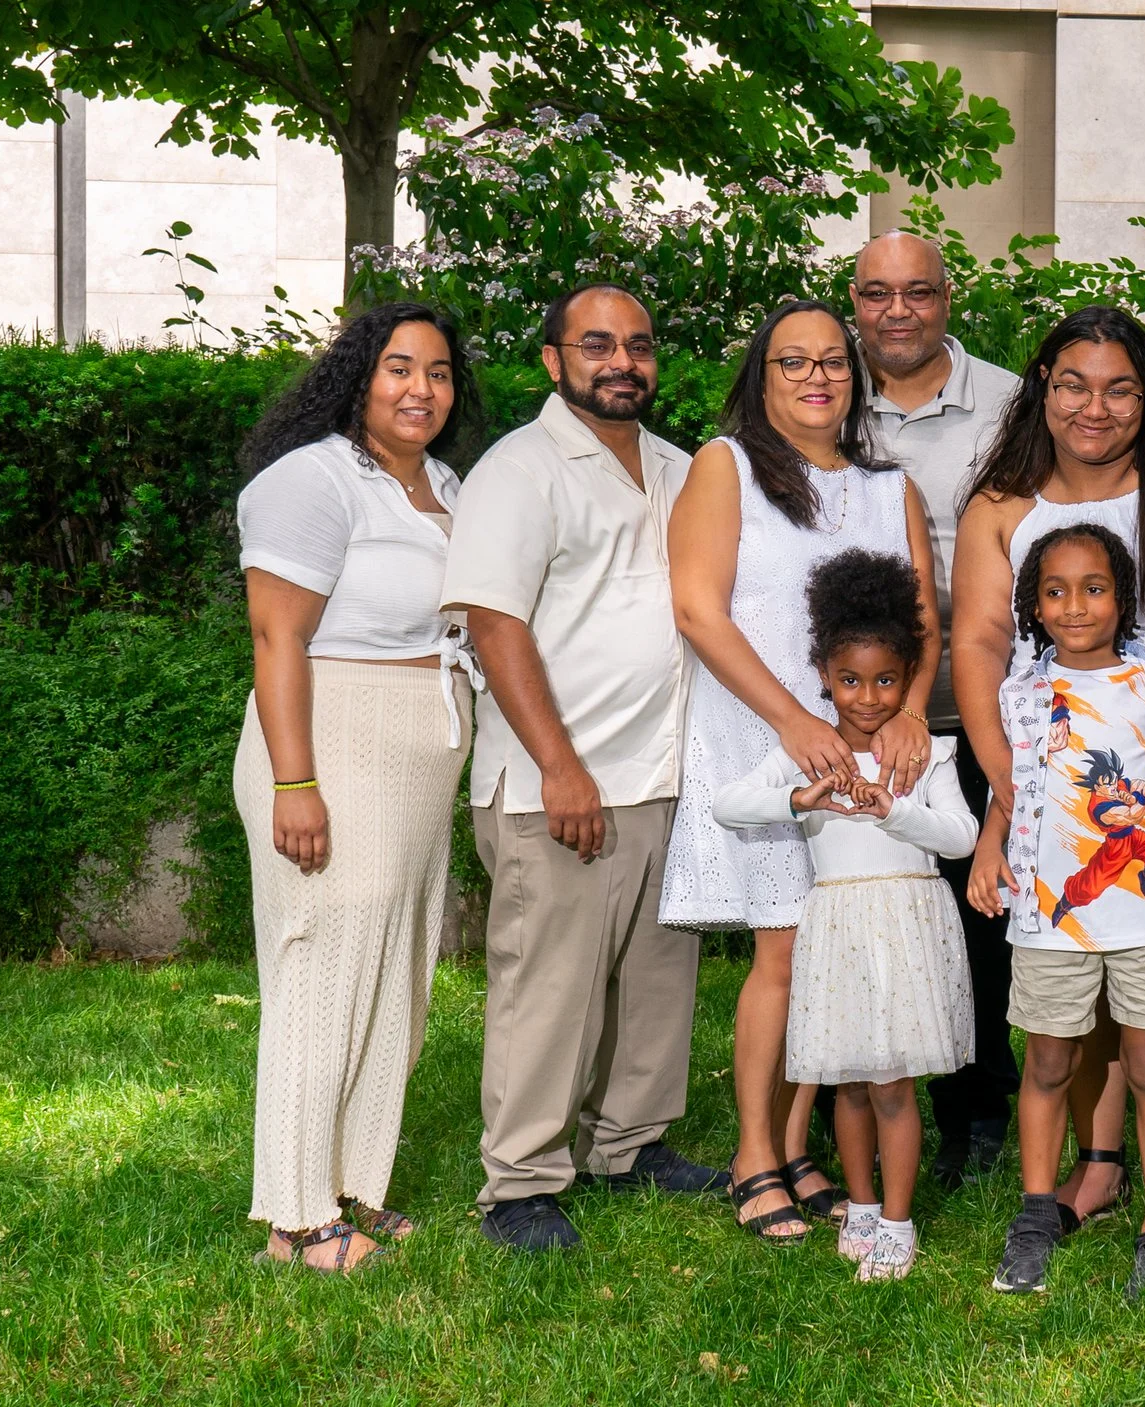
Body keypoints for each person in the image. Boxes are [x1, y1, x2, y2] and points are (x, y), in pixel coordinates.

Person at [950, 306, 1145, 1261]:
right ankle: (1099, 1158)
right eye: (1075, 384)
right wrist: (1013, 788)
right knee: (1073, 984)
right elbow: (978, 640)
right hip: (1051, 767)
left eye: (1121, 386)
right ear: (1041, 386)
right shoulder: (1002, 502)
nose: (1098, 406)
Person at [443, 283, 725, 1254]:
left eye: (638, 345)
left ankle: (630, 1143)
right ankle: (519, 1183)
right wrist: (560, 769)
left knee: (654, 979)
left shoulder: (681, 470)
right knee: (550, 989)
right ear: (553, 363)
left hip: (663, 775)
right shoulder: (518, 471)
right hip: (557, 786)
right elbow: (493, 620)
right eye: (595, 344)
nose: (621, 362)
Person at [664, 298, 941, 1244]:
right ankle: (754, 1154)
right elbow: (700, 611)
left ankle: (796, 1144)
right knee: (782, 951)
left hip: (865, 749)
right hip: (764, 734)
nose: (818, 376)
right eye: (793, 362)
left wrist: (907, 711)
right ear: (762, 377)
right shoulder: (725, 467)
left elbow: (924, 628)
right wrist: (791, 722)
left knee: (827, 949)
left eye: (833, 360)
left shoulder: (887, 488)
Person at [233, 302, 484, 1273]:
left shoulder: (447, 487)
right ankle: (293, 1223)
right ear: (356, 378)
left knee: (394, 977)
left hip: (421, 757)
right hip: (330, 742)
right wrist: (295, 781)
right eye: (397, 368)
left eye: (438, 372)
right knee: (321, 971)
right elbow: (275, 638)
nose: (420, 389)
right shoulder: (312, 480)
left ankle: (346, 1188)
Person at [710, 549, 979, 1281]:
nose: (867, 697)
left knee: (892, 1083)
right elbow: (727, 804)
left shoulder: (930, 754)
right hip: (839, 930)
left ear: (907, 677)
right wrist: (803, 798)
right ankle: (859, 1205)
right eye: (850, 680)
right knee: (851, 1081)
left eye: (886, 680)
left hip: (905, 922)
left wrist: (896, 809)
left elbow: (962, 838)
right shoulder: (811, 753)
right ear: (824, 675)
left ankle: (898, 1219)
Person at [972, 523, 1145, 1300]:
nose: (1075, 605)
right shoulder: (1022, 693)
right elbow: (1018, 786)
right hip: (1049, 916)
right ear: (1033, 605)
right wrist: (987, 845)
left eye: (1094, 588)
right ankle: (1037, 1214)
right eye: (1056, 590)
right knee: (1046, 1062)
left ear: (1123, 597)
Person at [849, 230, 1026, 1188]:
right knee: (869, 916)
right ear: (855, 301)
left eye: (917, 292)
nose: (898, 311)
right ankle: (864, 1106)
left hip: (977, 707)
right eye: (877, 294)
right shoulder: (826, 394)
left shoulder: (1007, 403)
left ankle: (977, 1111)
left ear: (948, 298)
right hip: (860, 715)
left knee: (978, 919)